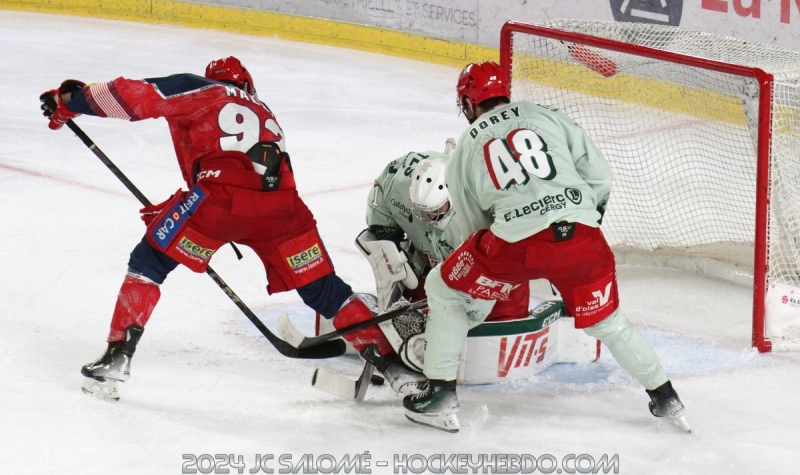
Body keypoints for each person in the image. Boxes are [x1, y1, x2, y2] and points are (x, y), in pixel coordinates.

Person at [39, 57, 390, 401]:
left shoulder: (202, 89)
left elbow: (134, 95)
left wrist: (73, 99)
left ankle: (116, 358)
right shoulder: (264, 110)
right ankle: (396, 368)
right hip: (284, 212)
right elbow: (256, 176)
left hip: (218, 205)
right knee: (324, 290)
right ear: (248, 84)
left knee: (150, 262)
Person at [401, 61, 687, 433]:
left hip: (515, 246)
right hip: (585, 239)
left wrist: (486, 275)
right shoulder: (548, 116)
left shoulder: (465, 148)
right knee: (608, 321)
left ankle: (440, 392)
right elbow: (600, 176)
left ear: (469, 104)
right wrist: (581, 225)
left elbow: (473, 228)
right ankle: (666, 397)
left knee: (443, 286)